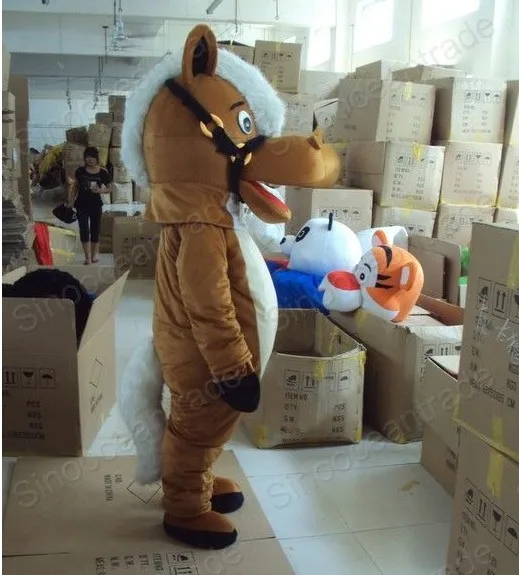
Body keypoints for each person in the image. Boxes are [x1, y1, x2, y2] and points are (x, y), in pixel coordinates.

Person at [67, 146, 112, 265]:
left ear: (96, 158)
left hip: (96, 205)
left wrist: (100, 191)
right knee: (84, 230)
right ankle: (87, 257)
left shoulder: (103, 172)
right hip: (81, 205)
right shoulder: (80, 171)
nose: (89, 160)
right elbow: (75, 186)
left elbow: (110, 188)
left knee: (95, 230)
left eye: (91, 157)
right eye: (87, 157)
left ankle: (94, 255)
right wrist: (70, 201)